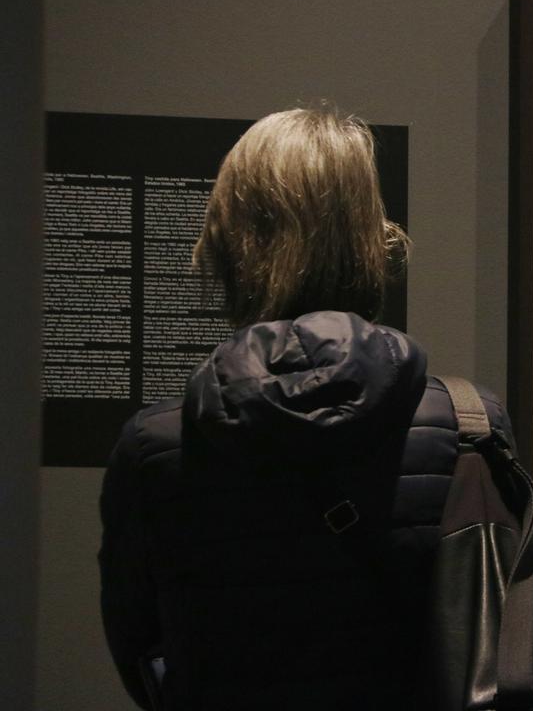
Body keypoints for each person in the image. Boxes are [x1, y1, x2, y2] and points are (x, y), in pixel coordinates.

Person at [98, 108, 510, 709]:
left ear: (231, 241)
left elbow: (140, 645)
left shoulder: (153, 444)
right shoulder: (474, 426)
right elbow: (505, 627)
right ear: (374, 239)